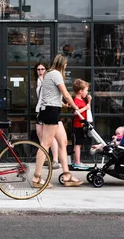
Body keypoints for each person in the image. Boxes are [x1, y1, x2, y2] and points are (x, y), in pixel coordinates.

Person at [33, 54, 83, 187]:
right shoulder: (55, 74)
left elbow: (52, 94)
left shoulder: (50, 74)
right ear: (62, 64)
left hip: (52, 110)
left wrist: (63, 104)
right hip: (50, 111)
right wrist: (75, 106)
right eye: (66, 64)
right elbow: (66, 93)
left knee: (63, 141)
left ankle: (67, 175)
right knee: (45, 144)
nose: (66, 66)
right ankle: (37, 178)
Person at [34, 62, 61, 170]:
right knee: (41, 135)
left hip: (48, 109)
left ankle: (55, 160)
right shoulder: (39, 81)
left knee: (50, 136)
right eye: (38, 69)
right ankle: (45, 158)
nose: (40, 71)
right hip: (40, 109)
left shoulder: (47, 80)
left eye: (42, 69)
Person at [71, 79, 92, 168]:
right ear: (80, 91)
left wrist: (89, 101)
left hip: (83, 125)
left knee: (80, 143)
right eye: (86, 90)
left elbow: (88, 108)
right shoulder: (76, 100)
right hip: (78, 125)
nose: (87, 92)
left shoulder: (83, 100)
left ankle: (78, 161)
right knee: (78, 144)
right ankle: (77, 162)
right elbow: (76, 112)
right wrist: (85, 107)